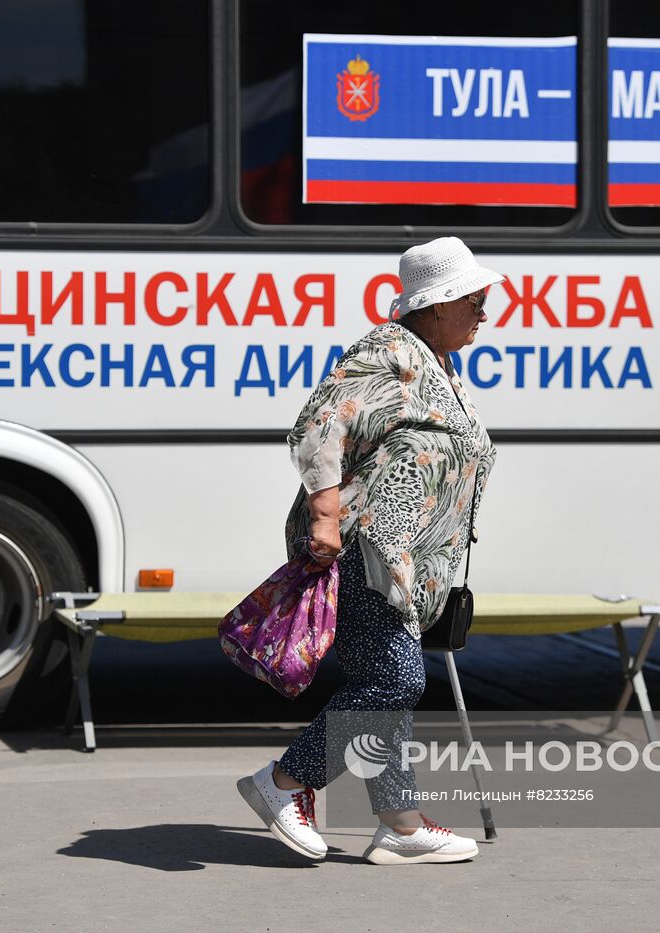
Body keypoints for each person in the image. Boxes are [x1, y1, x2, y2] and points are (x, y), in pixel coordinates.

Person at [236, 236, 501, 865]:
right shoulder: (387, 352)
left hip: (403, 556)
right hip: (366, 547)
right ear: (435, 305)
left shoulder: (433, 359)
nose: (484, 313)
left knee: (386, 681)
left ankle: (400, 825)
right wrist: (326, 512)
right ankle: (283, 783)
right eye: (474, 300)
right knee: (395, 677)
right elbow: (319, 422)